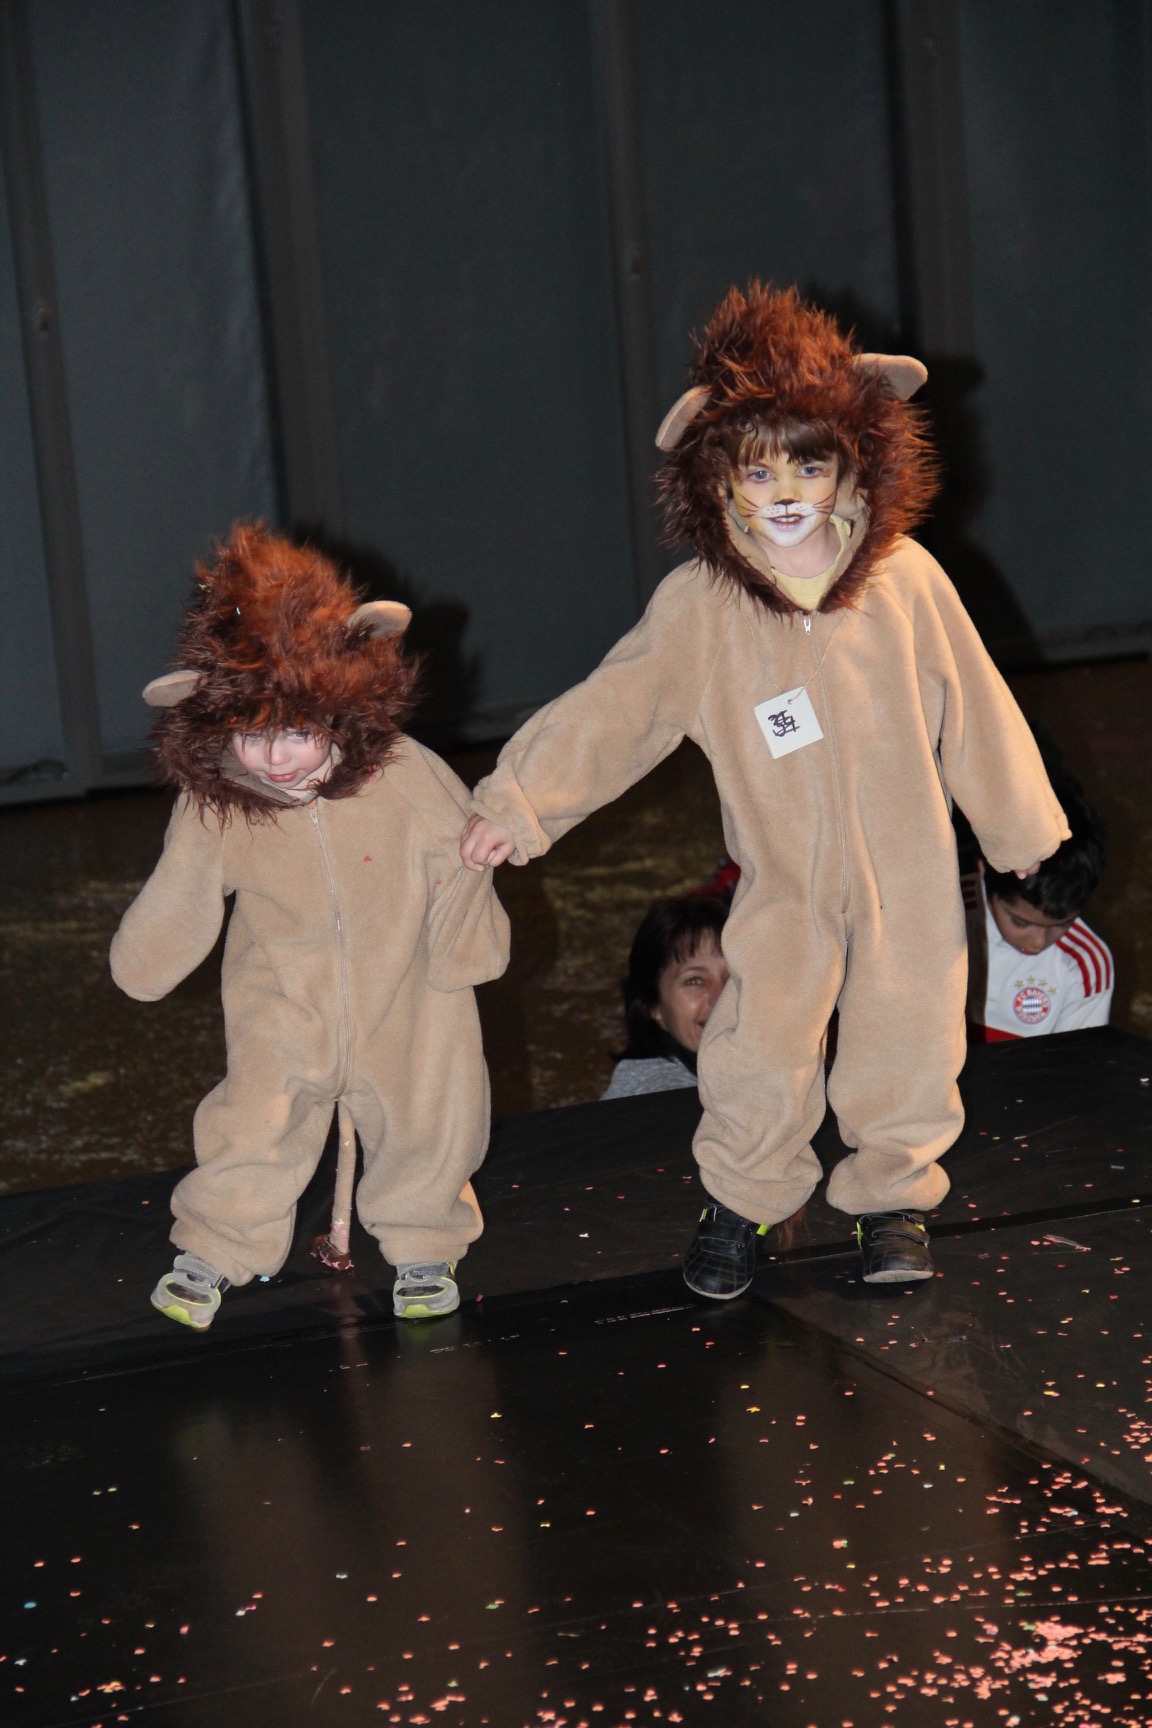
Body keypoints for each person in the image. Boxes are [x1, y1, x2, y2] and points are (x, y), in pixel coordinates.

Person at [460, 282, 1067, 1296]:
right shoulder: (702, 607)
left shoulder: (906, 580)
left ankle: (893, 1201)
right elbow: (616, 711)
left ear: (854, 463)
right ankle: (741, 1199)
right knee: (760, 1041)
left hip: (910, 874)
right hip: (782, 878)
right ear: (720, 478)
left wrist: (1019, 828)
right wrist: (518, 803)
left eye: (810, 464)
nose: (785, 493)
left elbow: (975, 702)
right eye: (757, 467)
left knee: (910, 1030)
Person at [110, 525, 509, 1329]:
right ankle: (218, 1244)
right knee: (253, 1123)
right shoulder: (219, 806)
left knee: (431, 1115)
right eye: (253, 734)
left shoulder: (404, 773)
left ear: (342, 708)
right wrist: (147, 958)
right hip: (282, 1001)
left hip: (410, 993)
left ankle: (424, 1241)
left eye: (297, 731)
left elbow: (464, 851)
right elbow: (181, 891)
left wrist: (471, 908)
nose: (277, 759)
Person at [965, 777, 1112, 1039]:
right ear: (984, 869)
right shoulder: (944, 918)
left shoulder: (1084, 965)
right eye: (1021, 922)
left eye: (1062, 924)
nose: (1037, 942)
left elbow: (1076, 1059)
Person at [601, 894, 730, 1099]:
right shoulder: (663, 1094)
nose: (722, 998)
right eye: (695, 981)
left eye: (733, 978)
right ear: (653, 1004)